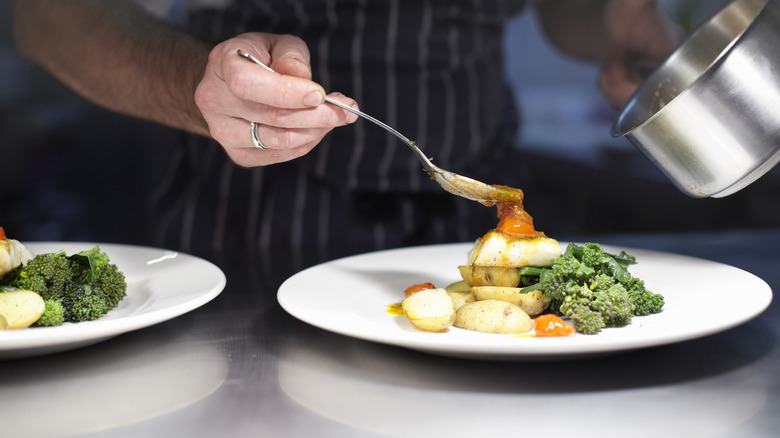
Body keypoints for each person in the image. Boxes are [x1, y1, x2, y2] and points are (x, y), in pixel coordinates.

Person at [13, 0, 677, 286]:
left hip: (475, 196)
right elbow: (47, 17)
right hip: (251, 213)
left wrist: (610, 20)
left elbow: (562, 14)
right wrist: (193, 80)